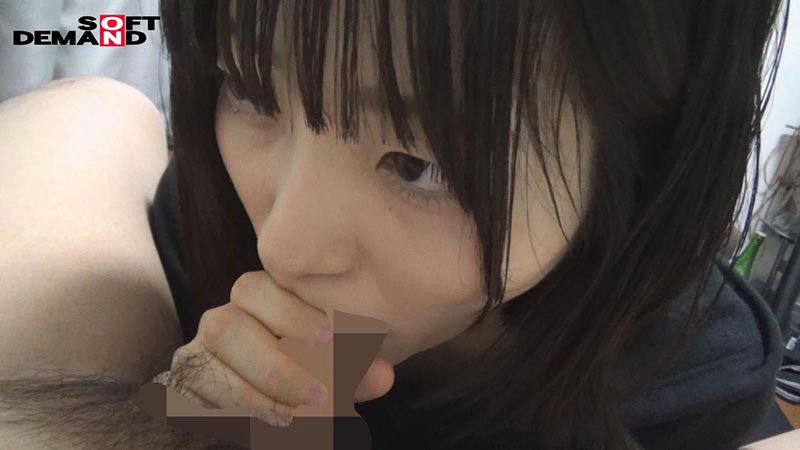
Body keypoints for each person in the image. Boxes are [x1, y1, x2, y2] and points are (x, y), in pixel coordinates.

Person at [0, 1, 789, 449]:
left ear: (642, 162)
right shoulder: (194, 217)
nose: (282, 247)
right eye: (252, 91)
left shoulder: (690, 391)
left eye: (416, 165)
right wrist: (185, 424)